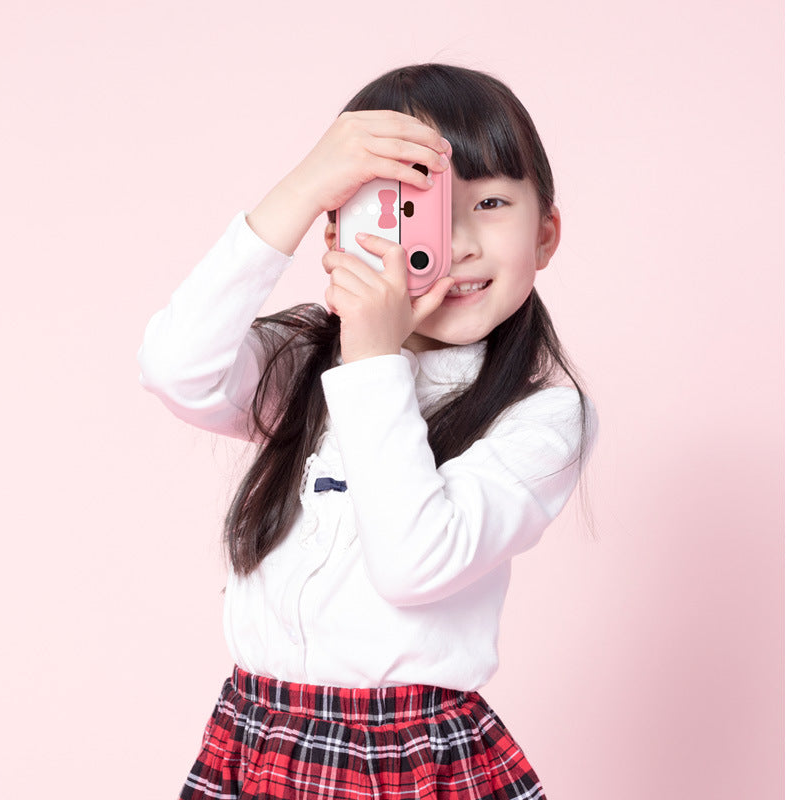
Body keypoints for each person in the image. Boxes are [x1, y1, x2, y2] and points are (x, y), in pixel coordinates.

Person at [137, 63, 597, 800]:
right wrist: (299, 190)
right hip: (258, 738)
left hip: (408, 759)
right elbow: (174, 369)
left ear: (546, 234)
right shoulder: (305, 363)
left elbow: (414, 563)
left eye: (489, 202)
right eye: (409, 207)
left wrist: (375, 357)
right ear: (342, 231)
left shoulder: (541, 415)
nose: (454, 242)